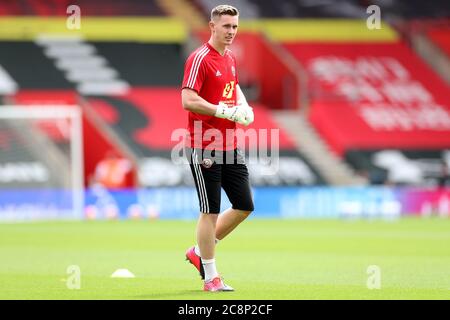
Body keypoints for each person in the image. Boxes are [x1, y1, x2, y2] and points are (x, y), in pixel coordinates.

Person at [181, 4, 254, 292]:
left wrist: (244, 106)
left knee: (244, 206)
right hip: (204, 144)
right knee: (210, 211)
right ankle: (211, 276)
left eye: (235, 26)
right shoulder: (200, 58)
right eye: (226, 26)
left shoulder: (231, 58)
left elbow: (232, 89)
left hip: (230, 144)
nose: (231, 32)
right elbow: (188, 100)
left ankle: (198, 252)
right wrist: (224, 112)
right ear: (212, 26)